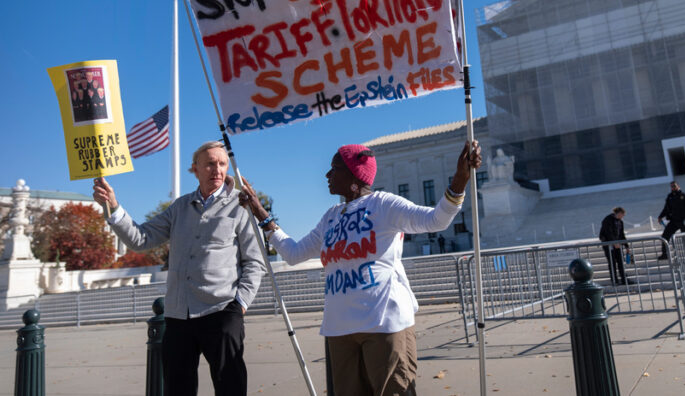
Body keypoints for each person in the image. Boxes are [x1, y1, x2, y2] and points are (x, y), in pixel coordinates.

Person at [240, 140, 482, 396]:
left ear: (353, 174)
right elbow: (293, 253)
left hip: (384, 325)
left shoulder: (384, 205)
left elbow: (437, 219)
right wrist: (258, 211)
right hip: (339, 329)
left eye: (334, 168)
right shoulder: (330, 217)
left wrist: (460, 179)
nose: (327, 175)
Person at [92, 141, 266, 396]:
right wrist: (114, 207)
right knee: (177, 388)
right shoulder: (179, 207)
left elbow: (255, 261)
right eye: (209, 164)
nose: (217, 170)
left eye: (222, 164)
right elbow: (141, 239)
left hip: (222, 311)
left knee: (231, 386)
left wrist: (240, 304)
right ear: (195, 169)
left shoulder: (241, 207)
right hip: (178, 315)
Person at [657, 180, 685, 260]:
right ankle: (665, 254)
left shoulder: (684, 196)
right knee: (665, 236)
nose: (673, 187)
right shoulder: (670, 197)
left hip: (684, 221)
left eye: (674, 186)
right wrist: (660, 216)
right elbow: (666, 208)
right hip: (674, 220)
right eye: (672, 186)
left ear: (678, 186)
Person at [599, 207, 631, 285]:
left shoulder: (620, 222)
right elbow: (607, 232)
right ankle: (614, 280)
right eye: (623, 215)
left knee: (620, 261)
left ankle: (624, 280)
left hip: (617, 244)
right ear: (619, 213)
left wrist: (627, 246)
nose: (623, 217)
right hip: (608, 244)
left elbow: (622, 235)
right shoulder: (607, 219)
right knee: (612, 262)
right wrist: (613, 242)